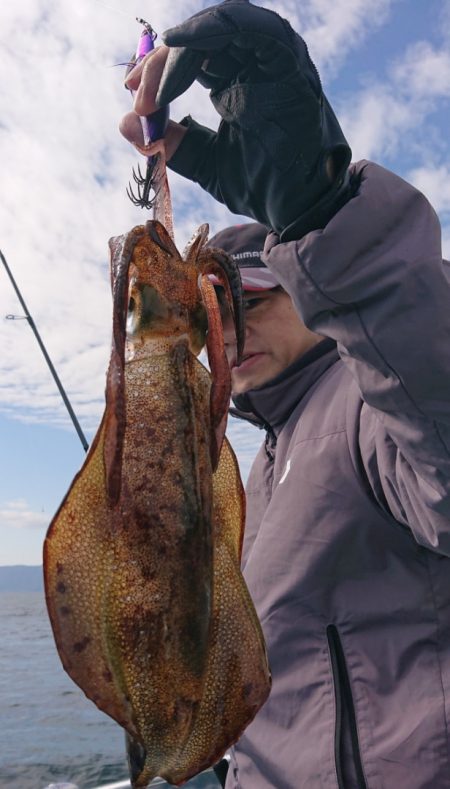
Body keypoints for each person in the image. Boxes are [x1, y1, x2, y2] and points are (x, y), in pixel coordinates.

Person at [120, 2, 450, 787]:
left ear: (308, 290)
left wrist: (319, 208)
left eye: (252, 301)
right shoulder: (263, 462)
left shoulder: (373, 406)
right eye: (211, 323)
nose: (230, 334)